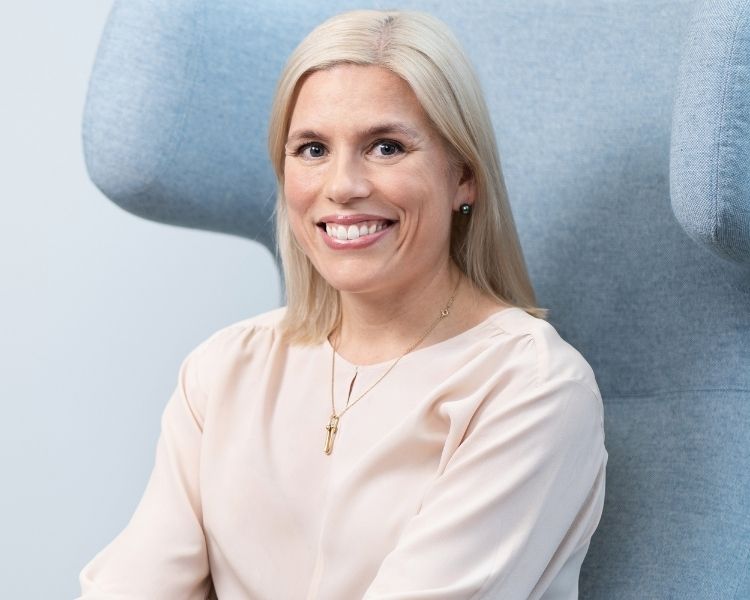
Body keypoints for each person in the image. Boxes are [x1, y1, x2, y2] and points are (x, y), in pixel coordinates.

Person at [78, 9, 607, 600]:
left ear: (463, 176)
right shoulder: (222, 370)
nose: (342, 186)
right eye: (312, 149)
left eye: (386, 147)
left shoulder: (531, 388)